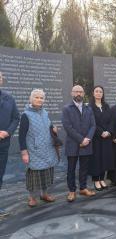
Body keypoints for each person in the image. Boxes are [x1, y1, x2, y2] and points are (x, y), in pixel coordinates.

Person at [19, 89, 59, 207]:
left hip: (47, 148)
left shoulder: (45, 112)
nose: (39, 100)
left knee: (46, 172)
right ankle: (32, 197)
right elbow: (21, 135)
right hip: (34, 150)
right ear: (31, 99)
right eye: (37, 97)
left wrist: (53, 128)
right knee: (34, 175)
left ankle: (44, 194)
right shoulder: (26, 115)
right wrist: (24, 153)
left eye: (41, 98)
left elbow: (48, 124)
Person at [62, 85, 96, 202]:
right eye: (76, 91)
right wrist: (81, 140)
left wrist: (87, 139)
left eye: (80, 92)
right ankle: (71, 191)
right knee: (71, 169)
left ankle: (83, 188)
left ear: (83, 94)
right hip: (73, 144)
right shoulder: (67, 108)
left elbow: (93, 125)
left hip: (87, 143)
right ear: (72, 93)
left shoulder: (89, 108)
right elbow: (67, 127)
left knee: (84, 168)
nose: (78, 94)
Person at [0, 72, 20, 216]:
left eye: (0, 77)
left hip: (3, 143)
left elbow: (15, 118)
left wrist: (7, 132)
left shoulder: (9, 98)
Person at [88, 86, 114, 191]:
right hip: (96, 137)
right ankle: (96, 180)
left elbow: (111, 121)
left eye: (100, 92)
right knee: (96, 159)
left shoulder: (106, 106)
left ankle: (102, 178)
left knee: (104, 158)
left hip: (106, 137)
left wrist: (108, 131)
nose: (98, 93)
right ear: (93, 93)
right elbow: (92, 122)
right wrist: (101, 132)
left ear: (103, 94)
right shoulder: (90, 107)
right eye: (96, 91)